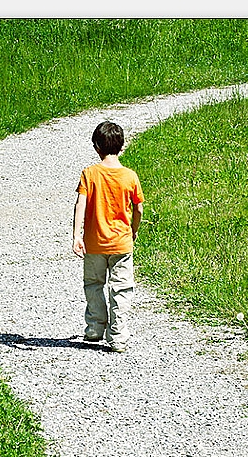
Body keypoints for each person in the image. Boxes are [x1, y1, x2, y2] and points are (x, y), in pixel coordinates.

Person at [72, 121, 144, 353]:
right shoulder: (130, 176)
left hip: (94, 243)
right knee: (121, 288)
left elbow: (80, 205)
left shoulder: (89, 174)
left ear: (96, 147)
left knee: (93, 284)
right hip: (122, 243)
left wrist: (76, 235)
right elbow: (139, 208)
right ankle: (118, 337)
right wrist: (133, 230)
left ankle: (94, 328)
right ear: (122, 146)